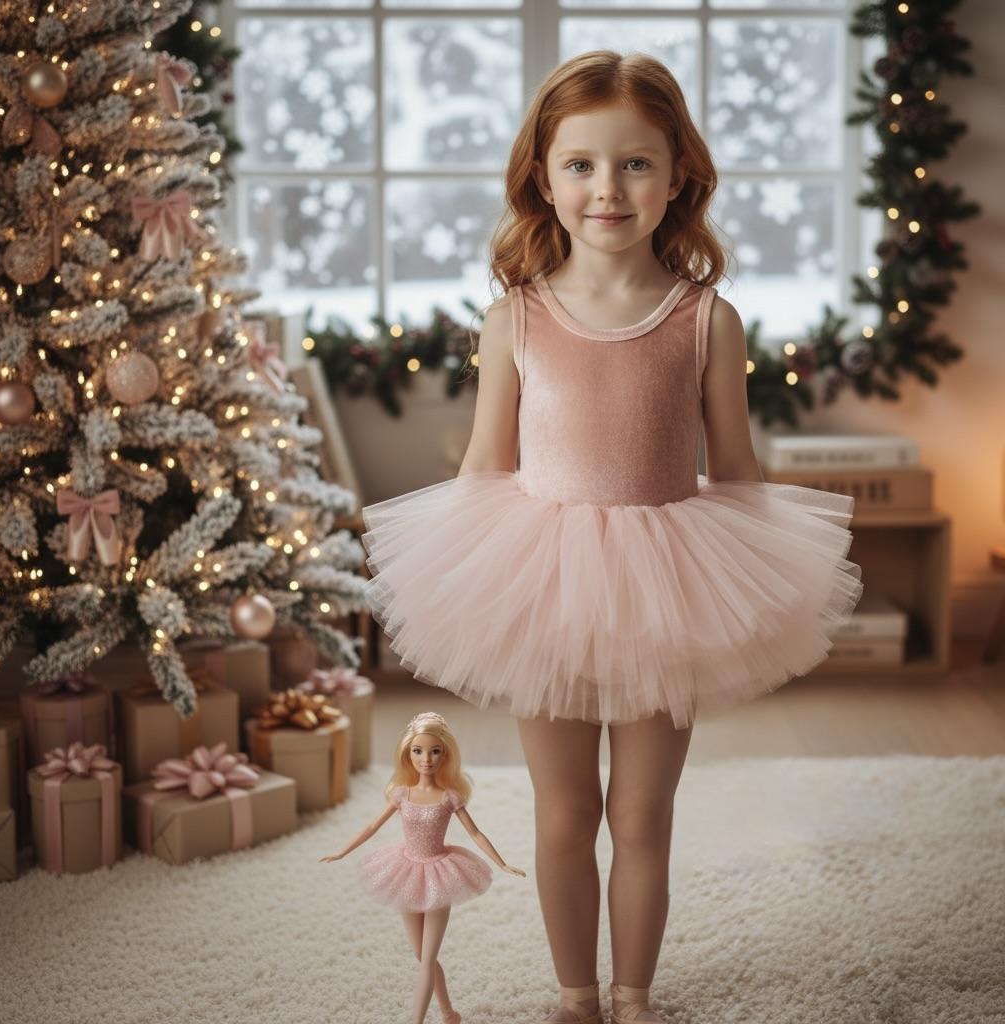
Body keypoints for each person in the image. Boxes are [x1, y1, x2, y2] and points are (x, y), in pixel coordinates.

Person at [359, 49, 864, 1024]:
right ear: (542, 179)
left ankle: (632, 994)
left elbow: (738, 468)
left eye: (635, 163)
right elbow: (482, 463)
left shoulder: (708, 320)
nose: (607, 188)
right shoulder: (512, 319)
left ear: (679, 176)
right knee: (564, 812)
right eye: (581, 164)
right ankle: (575, 994)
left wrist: (765, 585)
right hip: (539, 578)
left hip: (668, 579)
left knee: (639, 813)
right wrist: (454, 585)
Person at [319, 711, 525, 1024]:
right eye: (418, 751)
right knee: (421, 956)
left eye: (434, 751)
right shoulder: (401, 794)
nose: (425, 759)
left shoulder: (449, 797)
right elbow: (373, 825)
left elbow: (475, 833)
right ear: (407, 753)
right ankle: (448, 1013)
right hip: (404, 871)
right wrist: (342, 851)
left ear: (445, 755)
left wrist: (503, 863)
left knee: (428, 958)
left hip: (440, 874)